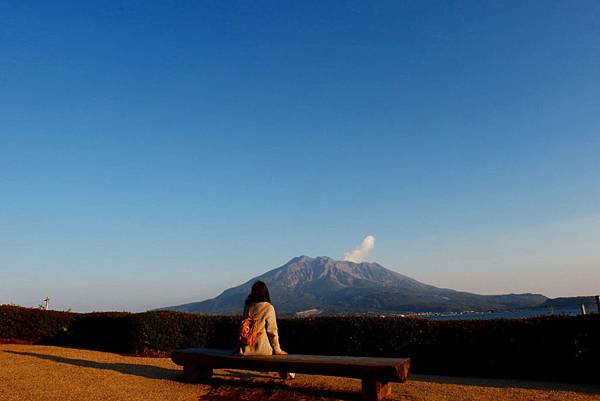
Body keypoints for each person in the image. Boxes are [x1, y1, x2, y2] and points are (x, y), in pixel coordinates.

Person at [236, 281, 295, 379]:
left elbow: (243, 330)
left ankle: (285, 372)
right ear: (266, 292)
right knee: (282, 356)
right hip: (262, 350)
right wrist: (278, 350)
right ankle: (289, 374)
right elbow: (272, 332)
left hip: (245, 350)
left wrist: (237, 348)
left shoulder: (248, 306)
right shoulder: (268, 308)